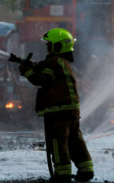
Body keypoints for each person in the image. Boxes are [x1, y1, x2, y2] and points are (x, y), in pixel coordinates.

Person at [18, 28, 94, 182]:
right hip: (71, 110)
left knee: (58, 143)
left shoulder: (53, 62)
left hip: (58, 111)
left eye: (49, 44)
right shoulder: (62, 62)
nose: (46, 47)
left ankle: (62, 174)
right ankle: (86, 170)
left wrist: (26, 71)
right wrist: (33, 65)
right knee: (75, 141)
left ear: (57, 46)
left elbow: (41, 80)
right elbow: (46, 70)